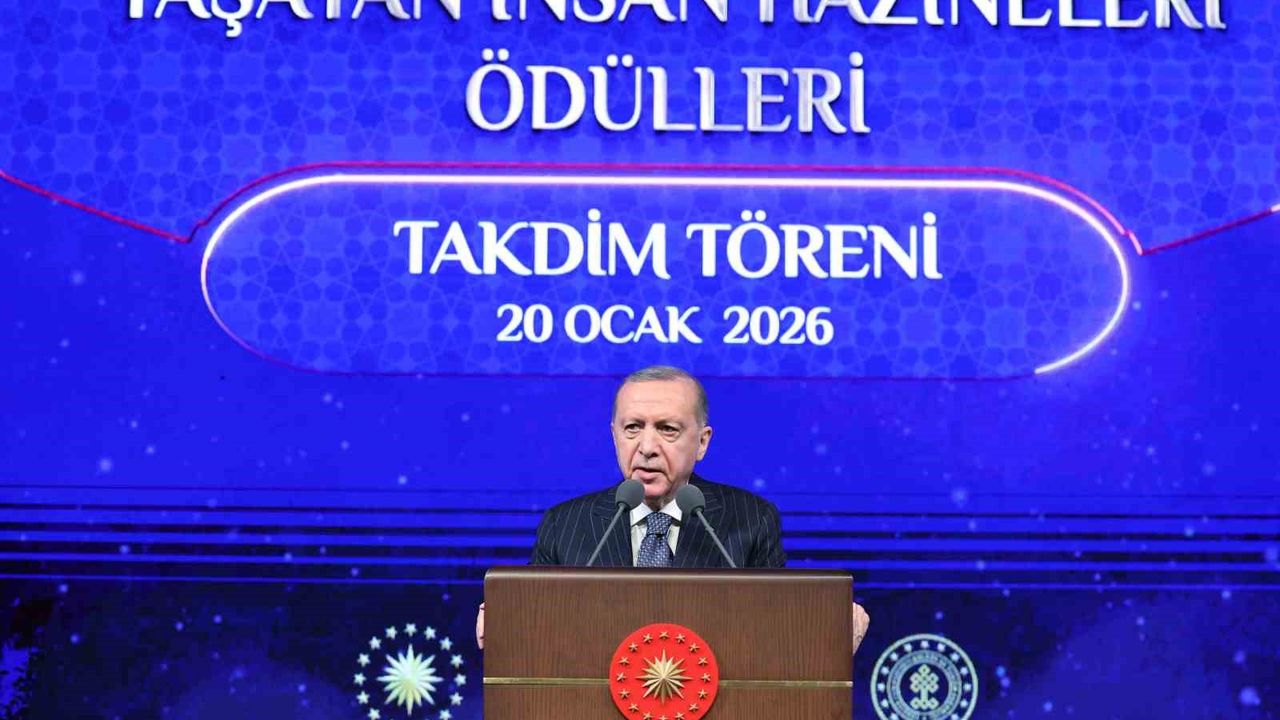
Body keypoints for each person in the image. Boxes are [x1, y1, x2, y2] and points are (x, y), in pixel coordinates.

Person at [476, 366, 870, 651]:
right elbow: (538, 629)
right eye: (633, 428)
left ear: (702, 442)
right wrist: (509, 621)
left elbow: (776, 629)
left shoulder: (750, 519)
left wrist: (824, 632)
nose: (646, 447)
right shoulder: (565, 524)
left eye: (667, 429)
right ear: (614, 436)